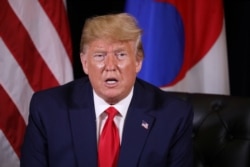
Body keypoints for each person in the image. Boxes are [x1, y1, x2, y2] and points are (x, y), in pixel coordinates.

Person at [20, 13, 193, 167]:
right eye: (100, 56)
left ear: (138, 61)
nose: (110, 66)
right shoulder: (47, 109)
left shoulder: (173, 115)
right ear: (85, 63)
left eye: (121, 54)